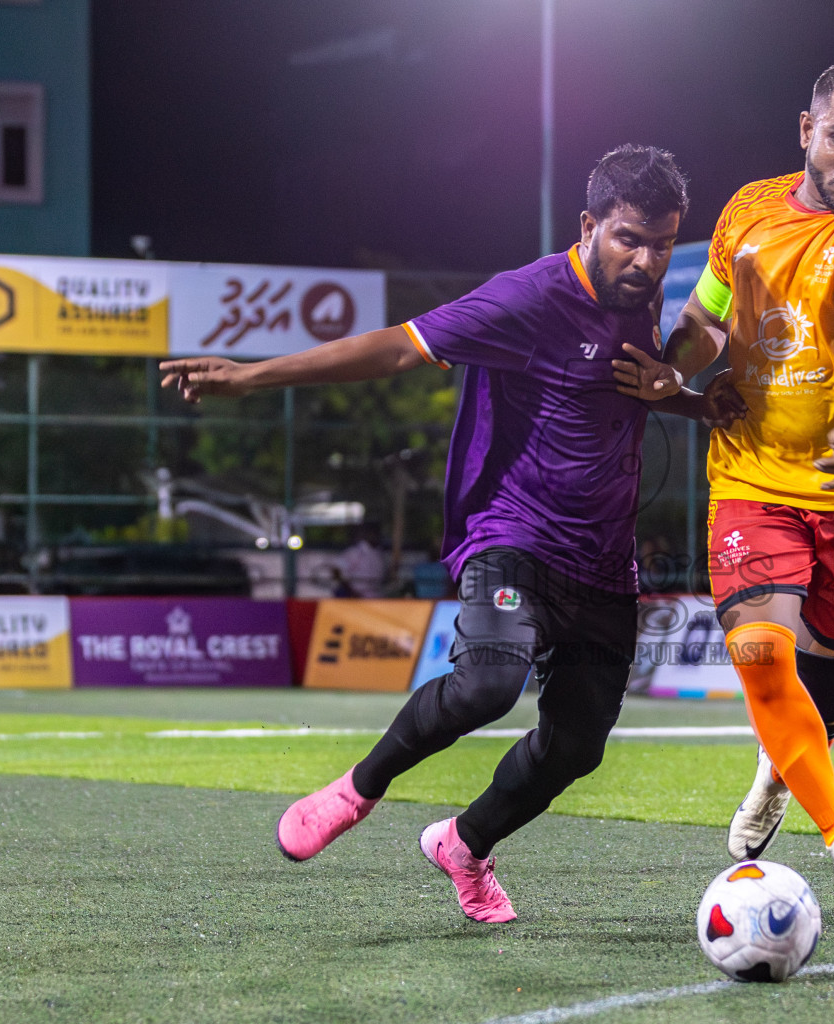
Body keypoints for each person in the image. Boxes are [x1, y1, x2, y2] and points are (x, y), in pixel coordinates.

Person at [162, 146, 730, 921]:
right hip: (513, 535)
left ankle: (465, 844)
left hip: (603, 561)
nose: (647, 259)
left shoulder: (644, 297)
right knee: (488, 684)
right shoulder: (527, 298)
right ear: (589, 224)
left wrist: (695, 402)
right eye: (631, 238)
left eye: (663, 243)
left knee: (579, 746)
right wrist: (251, 376)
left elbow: (617, 388)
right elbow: (399, 345)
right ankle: (355, 790)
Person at [614, 59, 834, 917]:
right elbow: (707, 319)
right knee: (762, 657)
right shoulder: (746, 212)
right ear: (806, 131)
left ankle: (779, 766)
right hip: (752, 477)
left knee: (831, 685)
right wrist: (670, 371)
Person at [337, 522, 388, 598]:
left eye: (376, 533)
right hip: (356, 596)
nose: (374, 536)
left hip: (376, 596)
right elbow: (338, 572)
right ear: (366, 534)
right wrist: (352, 592)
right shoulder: (355, 552)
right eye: (371, 533)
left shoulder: (379, 554)